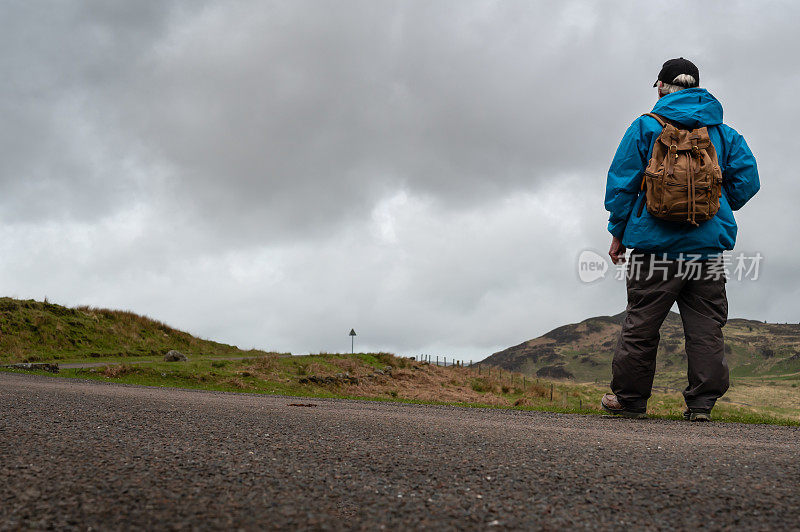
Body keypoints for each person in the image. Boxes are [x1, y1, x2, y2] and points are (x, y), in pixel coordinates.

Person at [601, 58, 760, 421]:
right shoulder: (722, 132)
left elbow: (622, 184)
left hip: (654, 250)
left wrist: (617, 233)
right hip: (706, 252)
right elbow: (749, 180)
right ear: (698, 88)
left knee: (641, 324)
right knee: (706, 328)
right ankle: (702, 405)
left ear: (661, 87)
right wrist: (718, 204)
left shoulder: (645, 127)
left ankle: (630, 400)